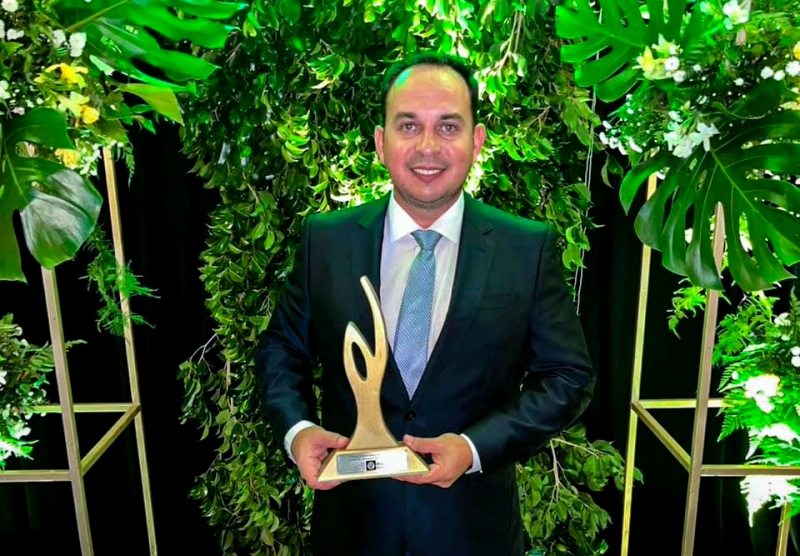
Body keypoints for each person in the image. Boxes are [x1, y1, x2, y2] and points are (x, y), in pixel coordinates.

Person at [256, 51, 596, 556]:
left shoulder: (525, 249)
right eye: (409, 126)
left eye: (448, 127)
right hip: (353, 529)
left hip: (472, 534)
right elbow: (281, 349)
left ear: (477, 141)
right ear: (381, 142)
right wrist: (299, 432)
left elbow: (567, 376)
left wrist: (474, 448)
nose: (428, 147)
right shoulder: (326, 241)